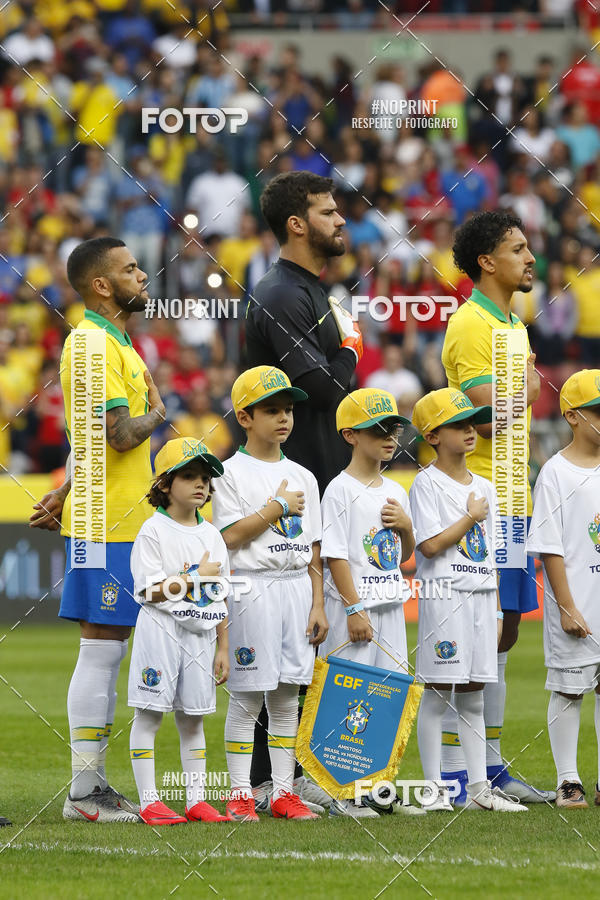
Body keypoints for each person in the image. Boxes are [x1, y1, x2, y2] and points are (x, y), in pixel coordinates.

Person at [30, 237, 166, 822]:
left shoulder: (114, 342)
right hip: (107, 522)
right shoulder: (90, 341)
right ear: (102, 286)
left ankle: (94, 788)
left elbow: (91, 441)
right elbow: (118, 434)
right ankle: (85, 793)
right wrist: (159, 413)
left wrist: (64, 488)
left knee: (109, 646)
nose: (143, 274)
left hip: (118, 514)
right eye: (130, 268)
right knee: (103, 648)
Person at [244, 170, 363, 807]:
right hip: (295, 482)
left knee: (310, 644)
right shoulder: (281, 294)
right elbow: (320, 389)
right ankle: (267, 780)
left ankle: (294, 778)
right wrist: (349, 347)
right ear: (297, 224)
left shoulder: (311, 290)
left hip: (317, 477)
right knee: (288, 643)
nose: (340, 220)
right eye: (327, 211)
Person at [440, 211, 555, 804]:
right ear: (487, 261)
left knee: (505, 630)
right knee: (478, 632)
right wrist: (529, 386)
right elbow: (479, 415)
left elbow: (513, 401)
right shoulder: (470, 325)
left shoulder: (513, 323)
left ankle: (490, 766)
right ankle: (461, 773)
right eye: (518, 248)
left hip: (515, 495)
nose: (530, 257)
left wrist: (524, 385)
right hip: (478, 500)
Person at [211, 365, 328, 822]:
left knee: (286, 699)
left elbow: (313, 547)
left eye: (288, 410)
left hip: (296, 589)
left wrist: (318, 602)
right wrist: (275, 508)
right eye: (271, 410)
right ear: (244, 417)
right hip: (252, 588)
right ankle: (240, 794)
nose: (284, 418)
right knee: (247, 697)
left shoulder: (304, 475)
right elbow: (229, 537)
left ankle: (283, 792)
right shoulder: (228, 473)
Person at [410, 388, 525, 813]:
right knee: (439, 693)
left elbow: (491, 553)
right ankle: (434, 789)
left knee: (474, 693)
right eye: (458, 425)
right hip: (446, 596)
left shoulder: (485, 486)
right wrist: (470, 516)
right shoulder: (426, 483)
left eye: (471, 422)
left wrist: (496, 608)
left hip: (479, 597)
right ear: (434, 435)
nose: (470, 430)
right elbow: (430, 546)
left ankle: (479, 789)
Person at [320, 388, 423, 818]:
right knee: (350, 698)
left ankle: (378, 787)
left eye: (393, 428)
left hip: (389, 605)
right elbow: (335, 555)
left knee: (386, 698)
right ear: (349, 435)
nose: (389, 437)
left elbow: (403, 559)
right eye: (377, 429)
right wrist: (352, 609)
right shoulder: (339, 489)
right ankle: (342, 791)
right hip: (357, 611)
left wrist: (407, 528)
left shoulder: (395, 487)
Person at [128, 437, 230, 826]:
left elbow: (221, 593)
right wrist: (193, 578)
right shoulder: (153, 531)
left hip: (201, 635)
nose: (200, 484)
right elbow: (147, 590)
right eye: (189, 476)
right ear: (165, 485)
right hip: (160, 631)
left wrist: (223, 645)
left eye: (205, 477)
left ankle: (196, 801)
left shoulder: (213, 535)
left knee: (193, 719)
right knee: (150, 715)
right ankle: (150, 802)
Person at [527, 370, 600, 808]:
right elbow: (550, 547)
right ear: (572, 415)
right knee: (570, 687)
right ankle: (568, 780)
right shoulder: (555, 472)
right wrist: (567, 605)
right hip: (577, 599)